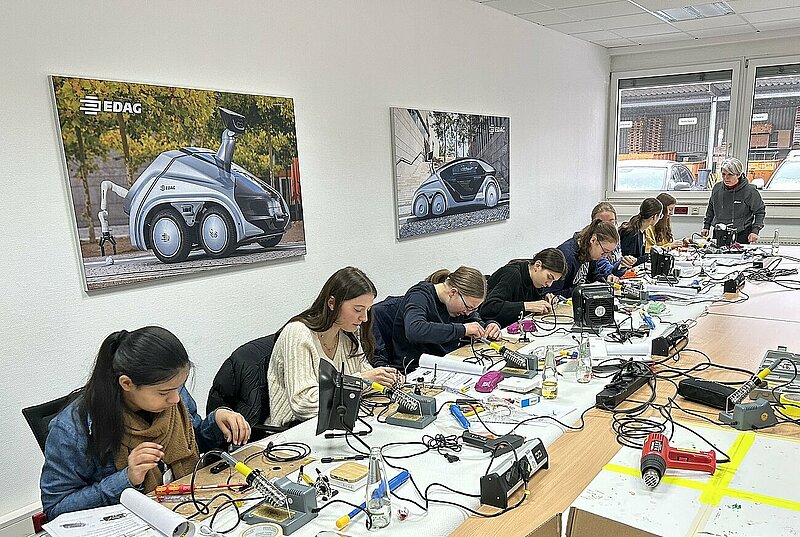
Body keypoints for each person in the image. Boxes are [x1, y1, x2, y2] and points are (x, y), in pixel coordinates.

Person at [40, 326, 250, 519]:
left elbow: (193, 440)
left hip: (185, 506)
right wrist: (127, 479)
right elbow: (56, 508)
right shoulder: (72, 429)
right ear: (127, 383)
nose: (176, 399)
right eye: (164, 393)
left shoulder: (172, 394)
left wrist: (217, 422)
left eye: (179, 387)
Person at [266, 267, 400, 427]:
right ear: (332, 303)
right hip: (294, 428)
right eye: (358, 309)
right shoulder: (298, 333)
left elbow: (367, 379)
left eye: (368, 310)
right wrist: (362, 380)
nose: (364, 318)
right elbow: (303, 404)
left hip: (338, 420)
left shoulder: (349, 332)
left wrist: (385, 379)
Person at [391, 266, 501, 373]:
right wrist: (462, 329)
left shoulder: (459, 307)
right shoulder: (419, 296)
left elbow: (474, 322)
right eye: (468, 307)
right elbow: (415, 330)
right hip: (414, 369)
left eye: (473, 309)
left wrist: (490, 326)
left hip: (447, 362)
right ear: (453, 292)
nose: (468, 312)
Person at [480, 248, 567, 328]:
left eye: (553, 281)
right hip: (491, 328)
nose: (549, 284)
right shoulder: (512, 275)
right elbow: (488, 309)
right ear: (537, 265)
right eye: (549, 277)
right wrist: (526, 306)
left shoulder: (535, 281)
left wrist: (544, 300)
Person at [548, 219, 620, 298]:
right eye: (604, 251)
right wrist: (587, 289)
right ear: (593, 240)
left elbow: (593, 276)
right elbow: (552, 294)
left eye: (609, 252)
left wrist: (606, 278)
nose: (605, 256)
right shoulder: (567, 257)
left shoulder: (590, 251)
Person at [702, 157, 766, 244]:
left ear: (738, 174)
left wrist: (755, 231)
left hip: (741, 233)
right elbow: (711, 208)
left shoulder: (750, 191)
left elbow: (760, 212)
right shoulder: (717, 188)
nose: (726, 178)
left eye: (730, 175)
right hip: (719, 231)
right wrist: (706, 226)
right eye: (723, 174)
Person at [592, 202, 636, 278]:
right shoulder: (595, 243)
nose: (607, 227)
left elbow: (617, 261)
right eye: (602, 223)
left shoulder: (615, 236)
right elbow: (606, 270)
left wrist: (623, 263)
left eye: (611, 222)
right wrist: (620, 266)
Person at [619, 198, 663, 266]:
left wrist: (648, 256)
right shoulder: (632, 234)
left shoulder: (642, 230)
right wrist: (648, 257)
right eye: (660, 216)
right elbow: (629, 262)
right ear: (654, 217)